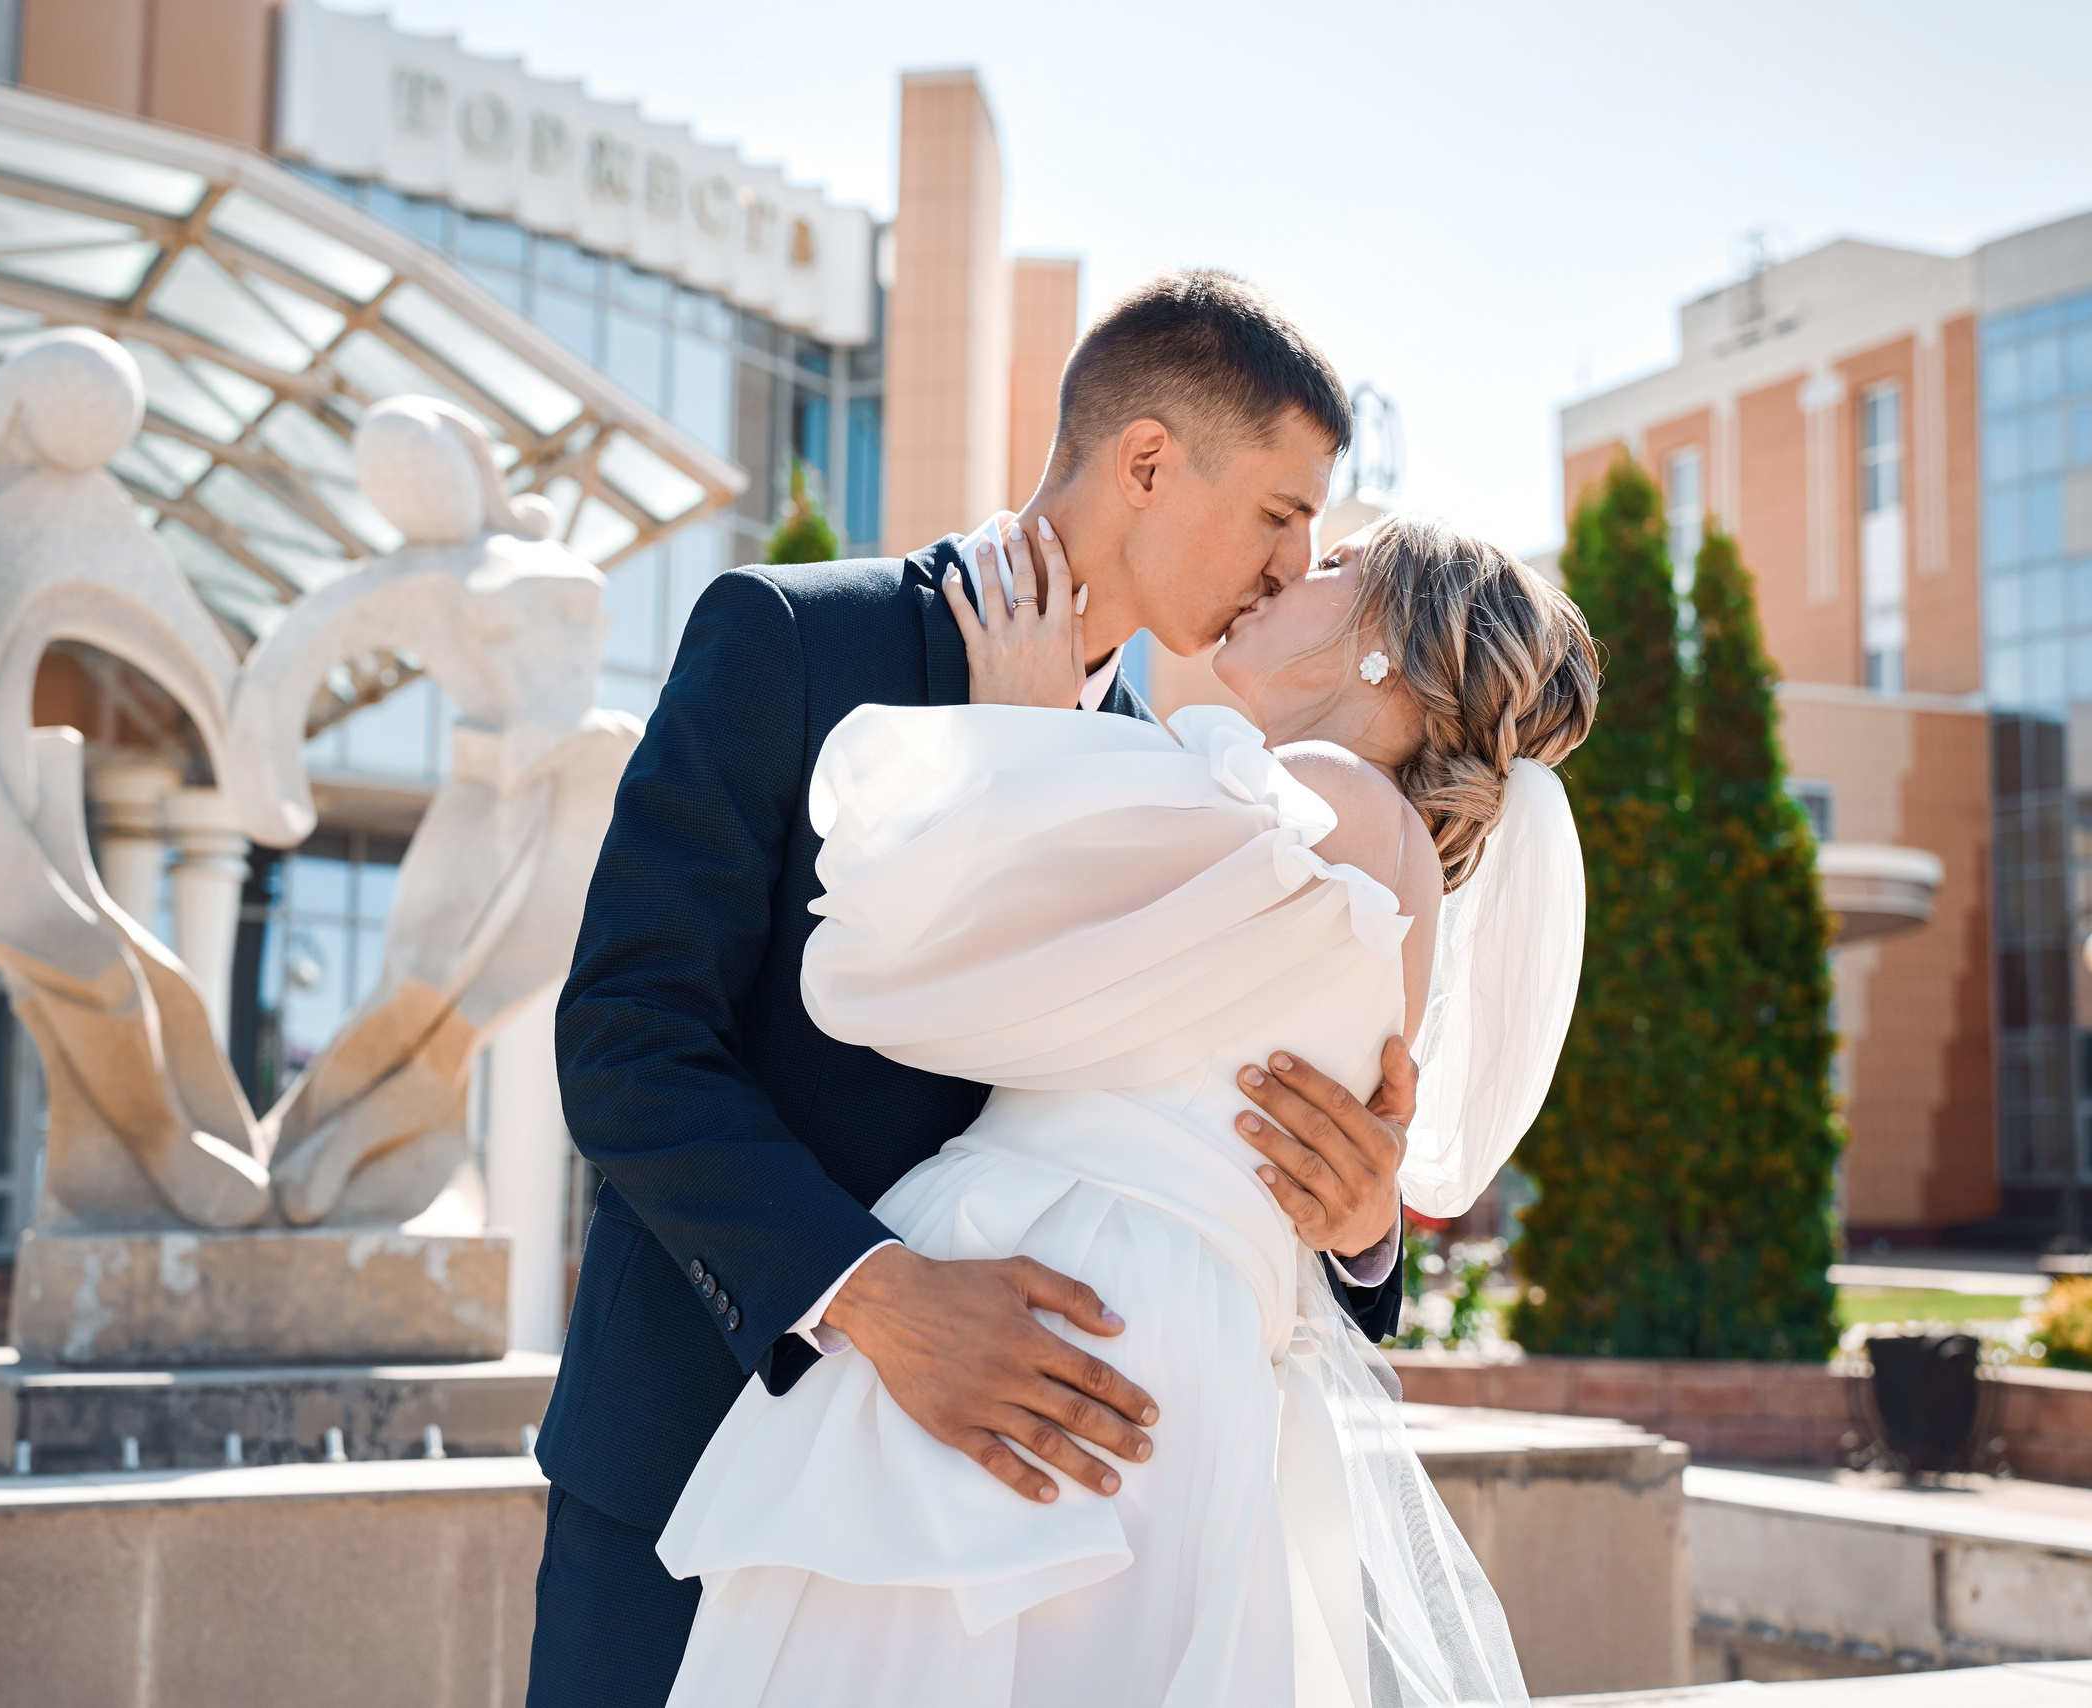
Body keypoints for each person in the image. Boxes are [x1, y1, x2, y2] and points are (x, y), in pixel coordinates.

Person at [530, 272, 1426, 1706]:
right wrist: (874, 1295)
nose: (1292, 565)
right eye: (1278, 515)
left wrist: (1364, 1224)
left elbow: (1228, 1105)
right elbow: (628, 1038)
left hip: (1034, 1546)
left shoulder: (1184, 774)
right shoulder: (792, 639)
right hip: (696, 1453)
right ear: (1146, 461)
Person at [653, 507, 1593, 1705]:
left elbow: (948, 981)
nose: (1294, 568)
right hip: (1165, 1345)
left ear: (1389, 651)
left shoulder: (1318, 794)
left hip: (1063, 1320)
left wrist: (1017, 738)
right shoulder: (1380, 853)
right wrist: (1366, 1235)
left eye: (1340, 562)